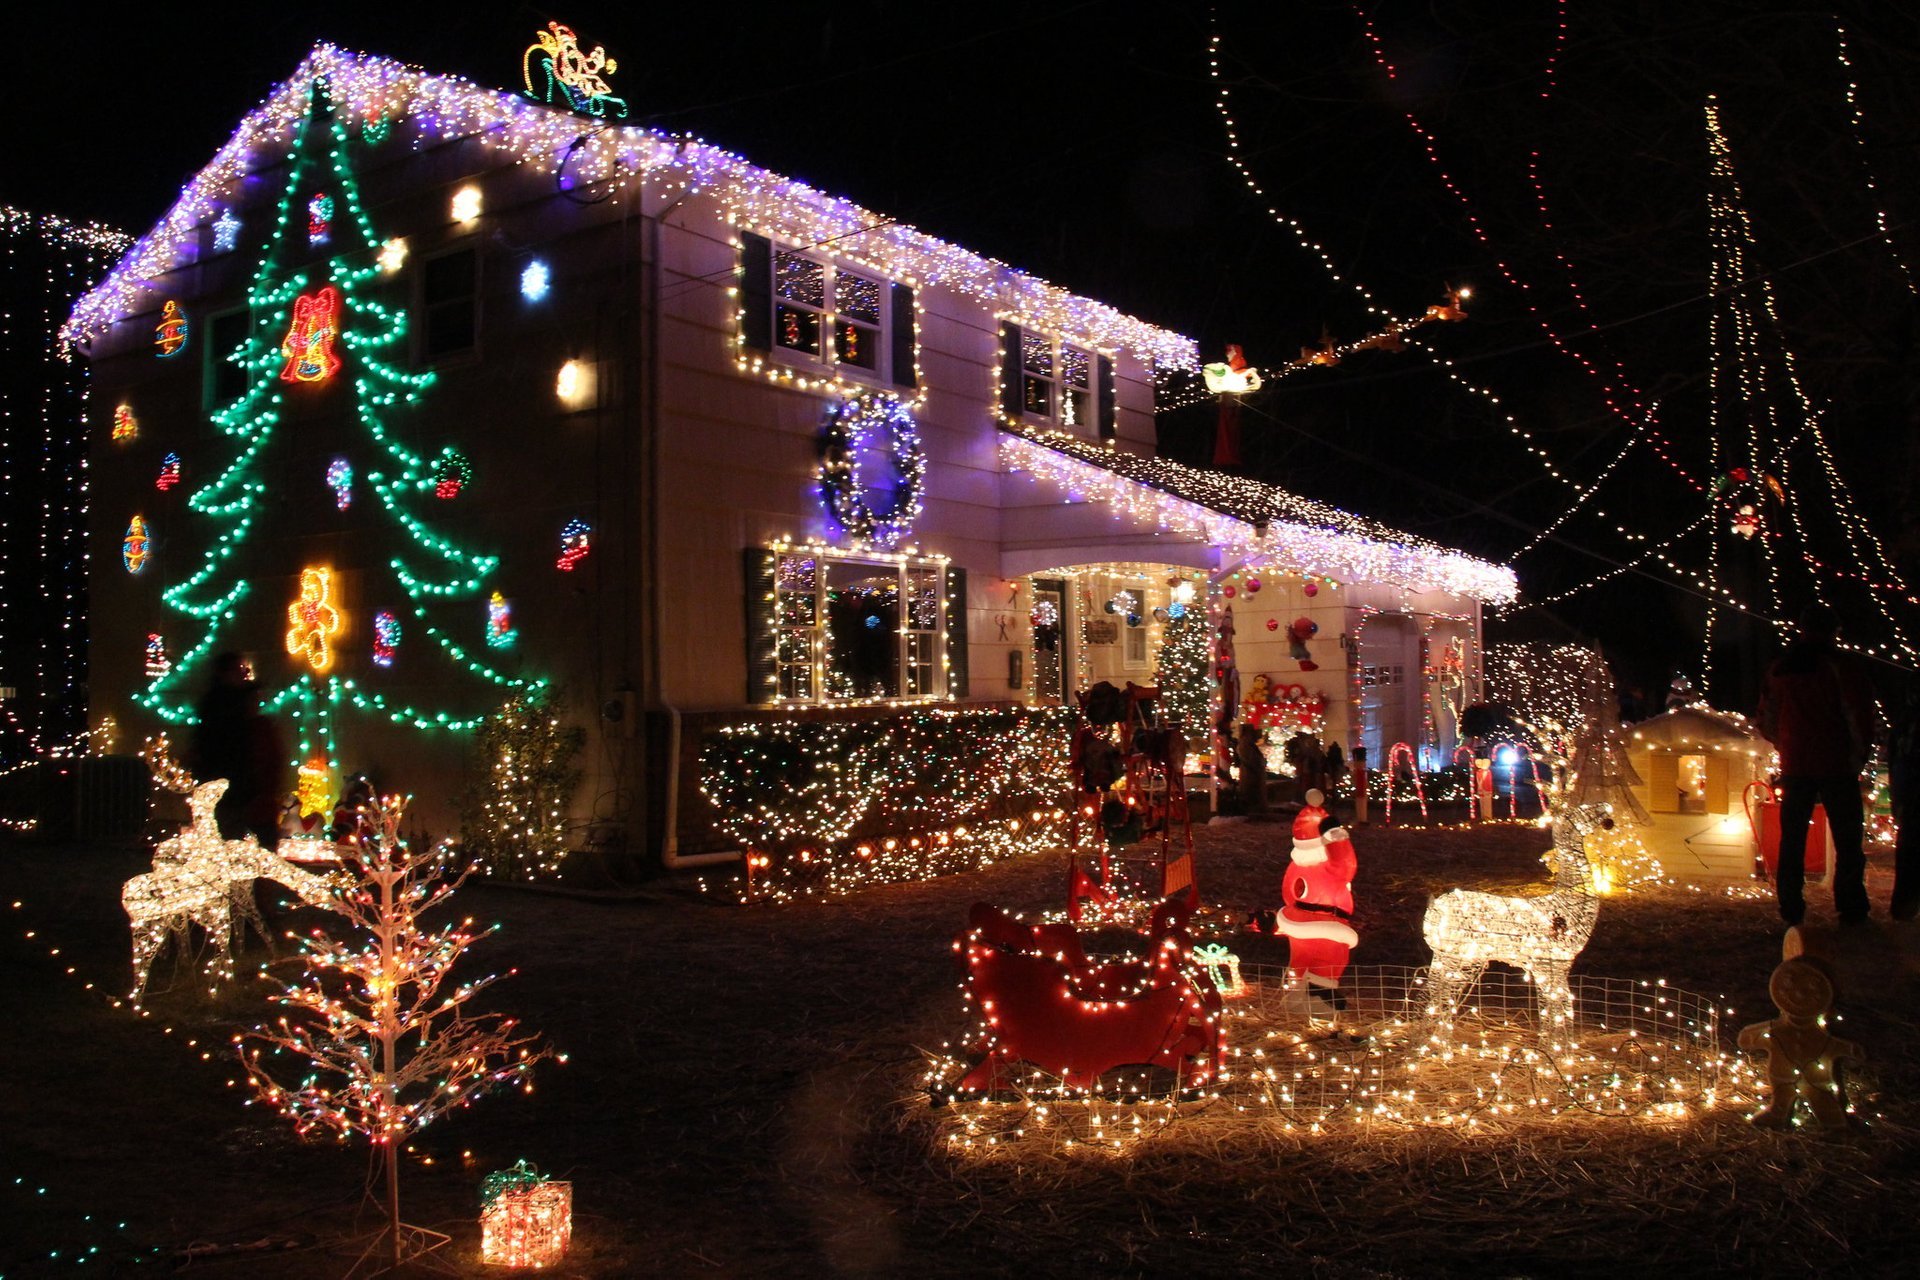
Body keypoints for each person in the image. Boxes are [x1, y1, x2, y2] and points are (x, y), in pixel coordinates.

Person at [1756, 606, 1875, 925]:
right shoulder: (1840, 667)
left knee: (1792, 838)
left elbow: (1766, 716)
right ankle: (1851, 906)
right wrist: (1858, 754)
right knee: (1848, 838)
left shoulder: (1781, 669)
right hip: (1836, 762)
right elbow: (1858, 714)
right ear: (1833, 631)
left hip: (1796, 763)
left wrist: (1786, 743)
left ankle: (1791, 906)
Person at [191, 652, 284, 850]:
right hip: (234, 791)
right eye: (238, 670)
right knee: (235, 844)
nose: (243, 674)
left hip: (247, 792)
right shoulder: (221, 711)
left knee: (255, 844)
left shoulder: (253, 722)